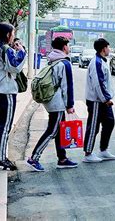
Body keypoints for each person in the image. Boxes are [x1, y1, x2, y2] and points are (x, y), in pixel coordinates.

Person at [27, 37, 77, 171]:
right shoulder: (64, 63)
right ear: (64, 47)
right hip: (58, 103)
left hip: (50, 100)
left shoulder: (52, 60)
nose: (69, 47)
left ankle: (62, 158)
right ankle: (34, 158)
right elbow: (67, 86)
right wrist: (70, 105)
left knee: (60, 130)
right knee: (52, 131)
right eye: (68, 45)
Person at [0, 23, 26, 170]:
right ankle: (1, 159)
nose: (14, 36)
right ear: (8, 34)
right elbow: (15, 66)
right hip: (7, 92)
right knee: (5, 127)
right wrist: (22, 51)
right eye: (13, 33)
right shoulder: (6, 49)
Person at [83, 38, 115, 163]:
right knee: (93, 127)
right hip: (97, 101)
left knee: (109, 122)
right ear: (103, 49)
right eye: (108, 47)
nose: (109, 49)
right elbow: (98, 84)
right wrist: (105, 99)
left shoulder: (103, 61)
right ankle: (88, 153)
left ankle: (103, 149)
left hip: (103, 100)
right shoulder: (96, 62)